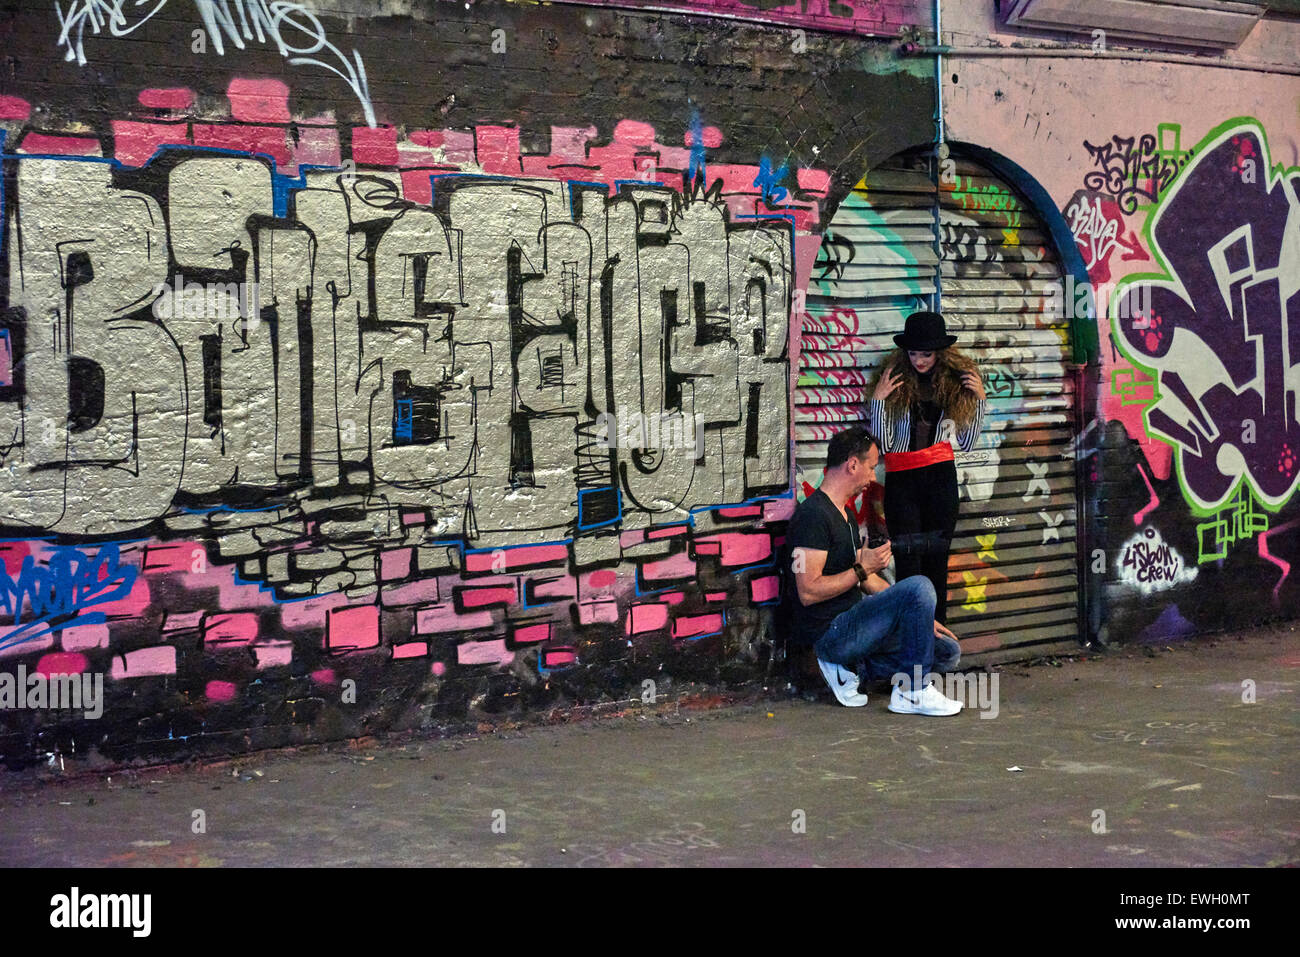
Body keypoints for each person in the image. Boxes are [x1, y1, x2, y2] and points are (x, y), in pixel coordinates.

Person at [784, 425, 964, 715]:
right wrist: (861, 569)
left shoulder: (845, 515)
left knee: (945, 651)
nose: (872, 477)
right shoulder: (813, 516)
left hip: (856, 626)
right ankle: (911, 692)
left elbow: (866, 578)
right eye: (870, 468)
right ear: (852, 464)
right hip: (831, 631)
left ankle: (851, 669)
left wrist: (918, 616)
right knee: (920, 585)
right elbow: (807, 591)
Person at [868, 311, 986, 625]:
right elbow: (886, 445)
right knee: (908, 565)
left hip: (940, 479)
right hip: (902, 479)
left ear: (940, 353)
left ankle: (936, 644)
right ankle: (911, 640)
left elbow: (968, 442)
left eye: (927, 354)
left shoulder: (954, 383)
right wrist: (878, 401)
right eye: (914, 353)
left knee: (937, 564)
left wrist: (979, 399)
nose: (919, 360)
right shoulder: (894, 380)